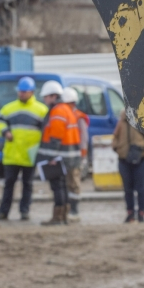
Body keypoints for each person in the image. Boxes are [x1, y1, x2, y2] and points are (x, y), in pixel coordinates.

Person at [0, 77, 49, 221]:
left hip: (30, 155)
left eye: (24, 92)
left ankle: (24, 211)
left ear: (31, 92)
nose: (21, 94)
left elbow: (46, 131)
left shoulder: (41, 110)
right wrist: (5, 132)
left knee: (28, 185)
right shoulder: (9, 108)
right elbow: (0, 122)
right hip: (12, 154)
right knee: (8, 185)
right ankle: (3, 212)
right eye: (20, 92)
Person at [36, 81, 81, 226]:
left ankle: (58, 217)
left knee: (58, 187)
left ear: (53, 96)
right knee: (62, 186)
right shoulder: (66, 109)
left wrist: (50, 157)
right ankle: (64, 216)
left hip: (59, 156)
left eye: (46, 97)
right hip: (67, 156)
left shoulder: (58, 111)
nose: (45, 100)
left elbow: (55, 137)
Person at [112, 110, 144, 223]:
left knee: (141, 189)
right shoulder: (122, 121)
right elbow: (115, 136)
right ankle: (130, 213)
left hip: (143, 159)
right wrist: (117, 147)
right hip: (124, 160)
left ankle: (141, 213)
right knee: (128, 189)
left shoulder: (143, 120)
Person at [61, 87, 89, 223]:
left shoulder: (78, 117)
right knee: (67, 183)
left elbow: (83, 139)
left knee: (74, 182)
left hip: (75, 156)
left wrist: (83, 157)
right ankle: (67, 209)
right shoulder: (66, 115)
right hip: (66, 155)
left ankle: (74, 210)